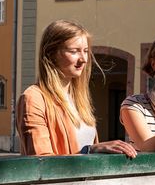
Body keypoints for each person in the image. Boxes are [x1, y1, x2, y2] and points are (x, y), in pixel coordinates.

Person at [17, 19, 137, 157]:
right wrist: (90, 150)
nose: (83, 59)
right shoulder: (34, 99)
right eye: (74, 51)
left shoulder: (78, 98)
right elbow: (41, 162)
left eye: (85, 51)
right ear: (51, 54)